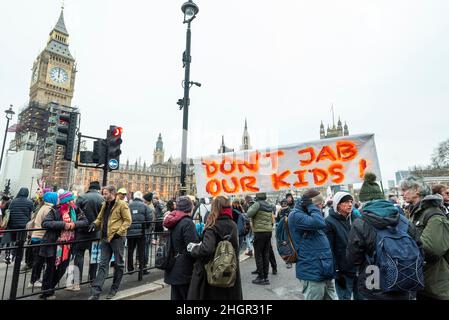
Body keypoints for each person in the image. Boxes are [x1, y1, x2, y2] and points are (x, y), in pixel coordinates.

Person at [346, 197, 423, 300]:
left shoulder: (360, 223)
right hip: (406, 276)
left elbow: (353, 257)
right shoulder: (405, 222)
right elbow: (420, 249)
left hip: (372, 276)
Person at [400, 176, 449, 300]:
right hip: (422, 281)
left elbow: (432, 249)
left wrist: (403, 247)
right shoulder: (415, 212)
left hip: (436, 285)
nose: (402, 194)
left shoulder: (433, 214)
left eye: (405, 189)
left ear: (417, 189)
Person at [187, 196, 243, 300]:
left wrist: (193, 249)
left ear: (215, 207)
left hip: (214, 273)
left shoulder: (213, 225)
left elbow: (206, 249)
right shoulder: (233, 224)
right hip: (230, 270)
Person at [288, 189, 337, 300]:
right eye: (319, 204)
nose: (321, 207)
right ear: (311, 204)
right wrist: (312, 206)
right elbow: (319, 223)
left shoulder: (310, 213)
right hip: (311, 269)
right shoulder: (296, 215)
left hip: (324, 267)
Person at [39, 191, 88, 299]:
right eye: (70, 200)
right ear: (65, 201)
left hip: (68, 245)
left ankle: (49, 288)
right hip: (54, 243)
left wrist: (74, 224)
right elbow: (45, 223)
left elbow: (85, 221)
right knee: (51, 268)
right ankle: (46, 291)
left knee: (62, 267)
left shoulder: (75, 209)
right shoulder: (55, 210)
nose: (73, 201)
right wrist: (63, 225)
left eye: (73, 199)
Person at [88, 186, 132, 300]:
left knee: (118, 264)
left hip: (117, 238)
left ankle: (114, 288)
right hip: (105, 238)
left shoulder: (122, 204)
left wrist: (119, 232)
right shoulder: (104, 204)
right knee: (103, 264)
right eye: (103, 193)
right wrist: (94, 224)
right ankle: (95, 292)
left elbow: (128, 221)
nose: (104, 195)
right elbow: (100, 218)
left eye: (106, 193)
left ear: (113, 193)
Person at [70, 181, 104, 291]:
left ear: (89, 187)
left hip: (81, 231)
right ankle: (93, 280)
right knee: (94, 257)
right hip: (96, 232)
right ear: (98, 188)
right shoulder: (102, 198)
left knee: (79, 255)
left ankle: (76, 282)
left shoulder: (82, 197)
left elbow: (75, 212)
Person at [325, 191, 360, 300]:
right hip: (343, 270)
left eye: (351, 202)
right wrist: (336, 271)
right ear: (338, 205)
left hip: (360, 267)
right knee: (345, 297)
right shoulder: (329, 222)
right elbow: (329, 248)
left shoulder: (356, 218)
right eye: (346, 202)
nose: (350, 204)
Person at [163, 196, 198, 300]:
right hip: (184, 268)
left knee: (176, 296)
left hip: (172, 264)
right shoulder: (187, 222)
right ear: (189, 208)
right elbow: (191, 247)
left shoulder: (173, 220)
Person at [28, 192, 59, 288]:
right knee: (39, 261)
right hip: (41, 237)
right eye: (57, 198)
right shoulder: (49, 209)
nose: (58, 200)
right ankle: (34, 280)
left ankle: (35, 279)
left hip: (36, 236)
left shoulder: (43, 207)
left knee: (39, 260)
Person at [247, 193, 275, 285]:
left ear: (257, 197)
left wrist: (250, 207)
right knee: (266, 254)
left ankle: (261, 277)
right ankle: (266, 277)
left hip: (259, 232)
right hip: (268, 231)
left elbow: (249, 214)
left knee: (258, 255)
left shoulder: (257, 204)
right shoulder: (268, 204)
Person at [126, 191, 152, 274]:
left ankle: (130, 269)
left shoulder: (128, 206)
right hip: (141, 232)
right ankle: (142, 268)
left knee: (130, 251)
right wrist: (145, 227)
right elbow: (149, 219)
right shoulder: (145, 206)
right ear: (141, 197)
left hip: (130, 232)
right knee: (141, 251)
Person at [7, 187, 34, 262]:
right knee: (21, 242)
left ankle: (10, 255)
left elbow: (9, 212)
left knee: (12, 241)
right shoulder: (30, 202)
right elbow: (31, 215)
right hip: (23, 226)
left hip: (13, 225)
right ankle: (18, 259)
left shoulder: (13, 201)